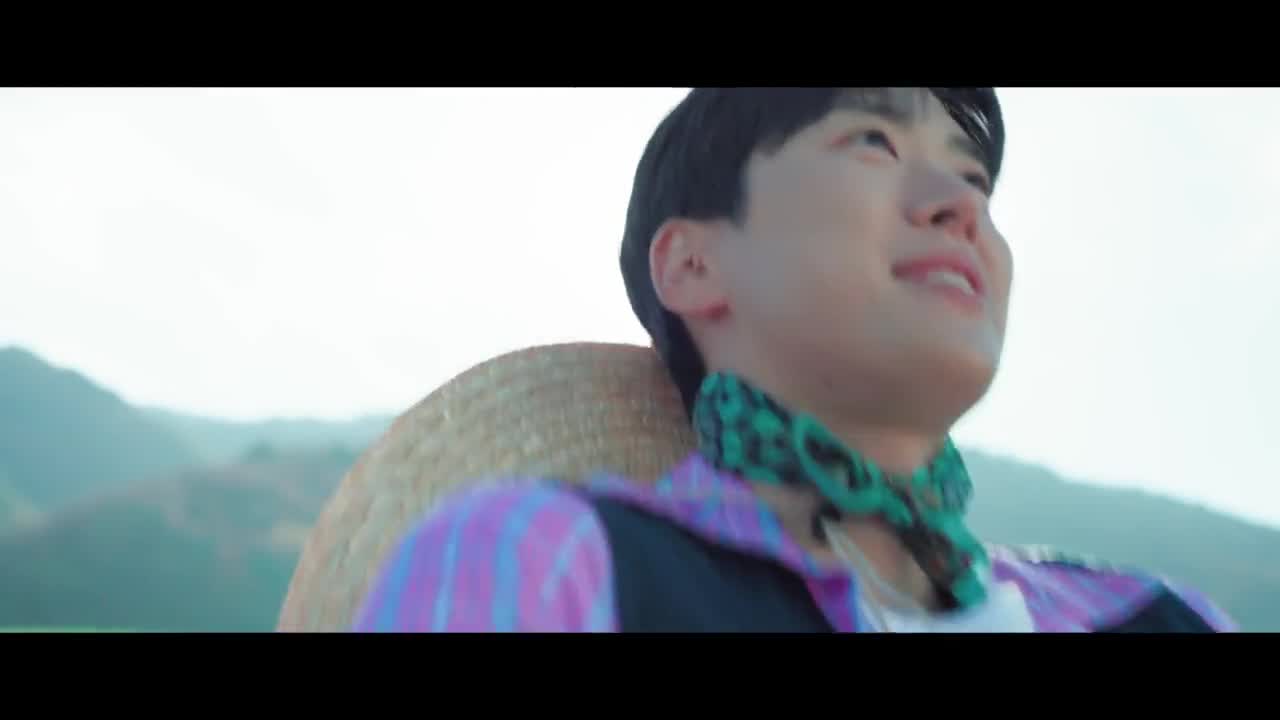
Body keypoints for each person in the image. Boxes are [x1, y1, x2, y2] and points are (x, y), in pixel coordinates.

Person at [347, 87, 1236, 632]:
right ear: (693, 264)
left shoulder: (1164, 618)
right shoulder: (555, 564)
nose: (960, 205)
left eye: (973, 179)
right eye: (874, 142)